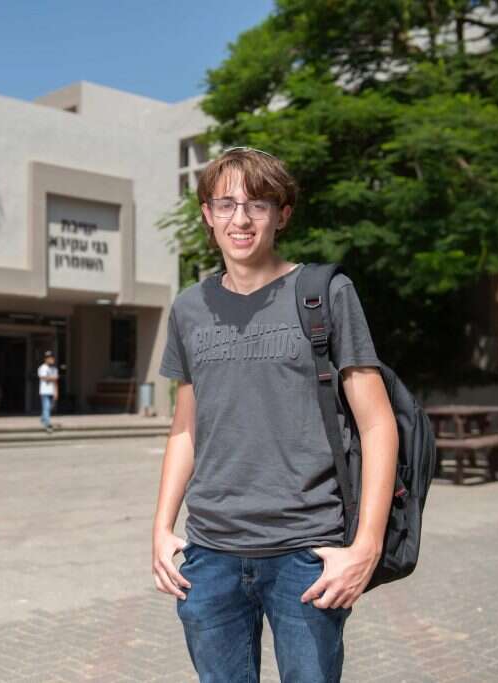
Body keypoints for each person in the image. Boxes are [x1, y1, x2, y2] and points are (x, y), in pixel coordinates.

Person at [151, 147, 398, 682]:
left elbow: (379, 423)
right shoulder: (188, 308)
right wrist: (161, 528)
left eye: (257, 205)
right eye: (226, 204)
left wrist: (367, 546)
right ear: (206, 214)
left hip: (305, 553)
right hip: (210, 553)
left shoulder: (325, 294)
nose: (240, 219)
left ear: (282, 215)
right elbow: (185, 428)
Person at [37, 350, 59, 432]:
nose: (51, 360)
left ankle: (43, 418)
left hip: (52, 391)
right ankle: (48, 425)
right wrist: (52, 378)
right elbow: (42, 377)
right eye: (49, 358)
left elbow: (56, 381)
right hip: (44, 391)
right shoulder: (42, 368)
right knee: (46, 407)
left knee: (50, 408)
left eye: (52, 358)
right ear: (45, 359)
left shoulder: (54, 369)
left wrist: (56, 392)